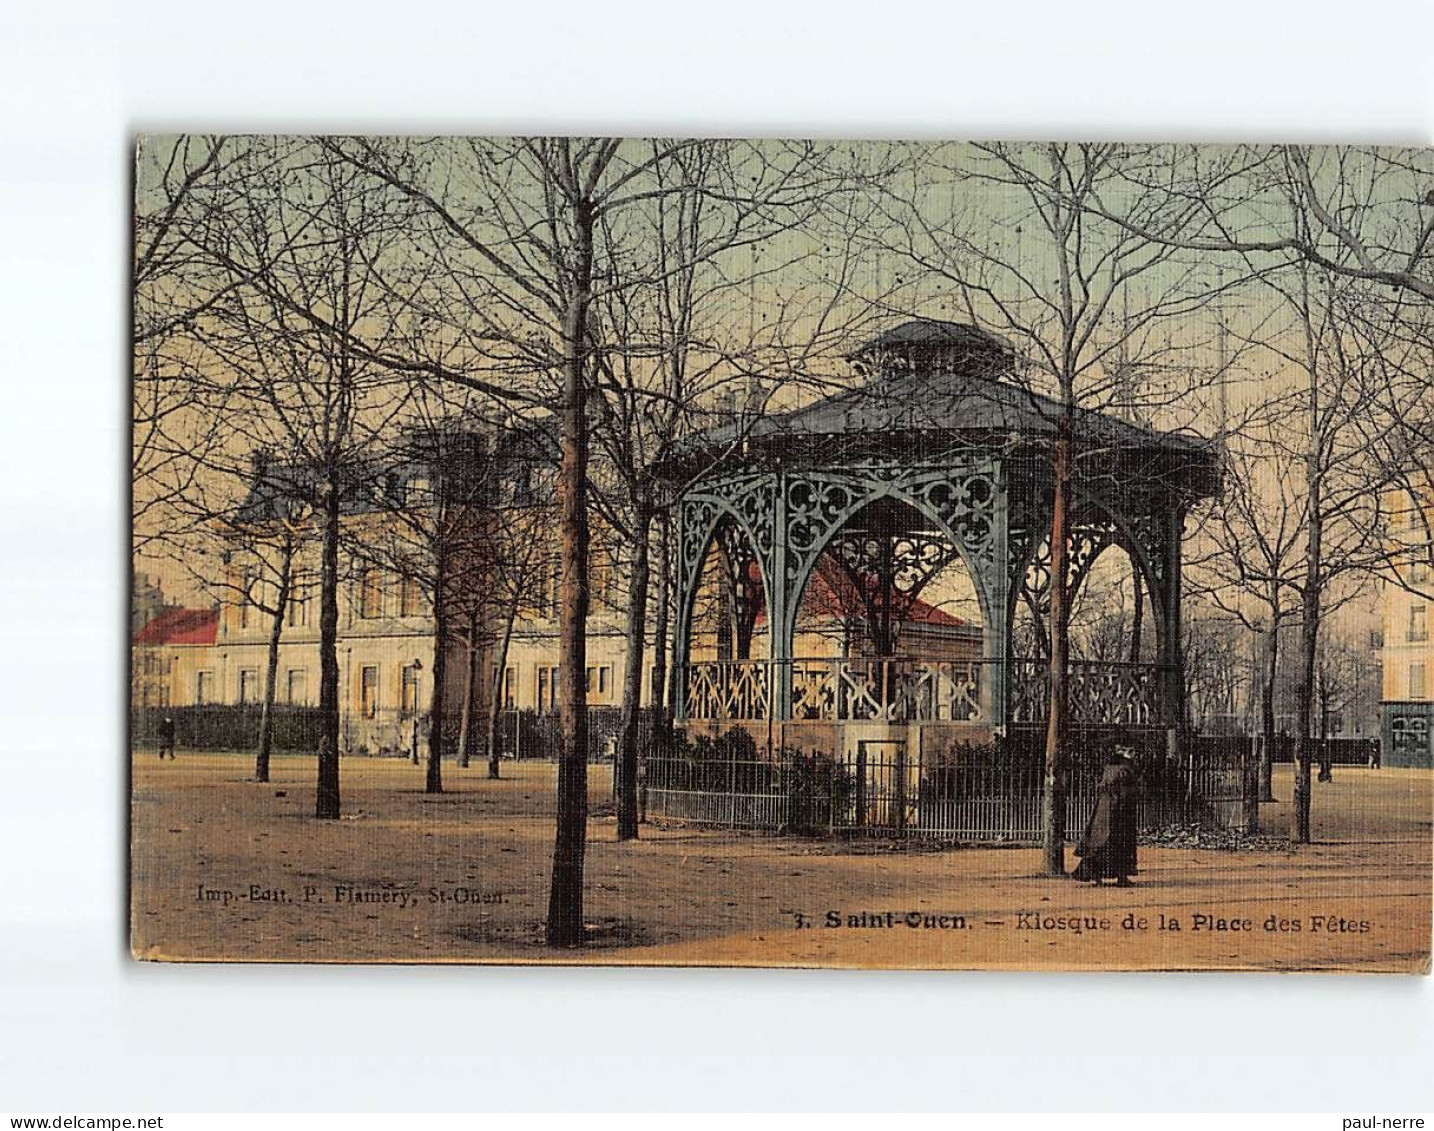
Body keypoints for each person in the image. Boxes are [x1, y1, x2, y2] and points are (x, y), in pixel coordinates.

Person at [1071, 751, 1138, 886]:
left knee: (1099, 845)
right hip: (1119, 814)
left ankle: (1096, 877)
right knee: (1120, 845)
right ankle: (1121, 877)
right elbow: (1126, 795)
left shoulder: (1107, 771)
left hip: (1102, 814)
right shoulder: (1124, 771)